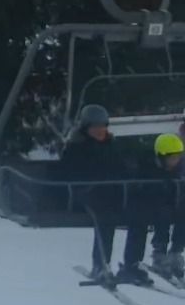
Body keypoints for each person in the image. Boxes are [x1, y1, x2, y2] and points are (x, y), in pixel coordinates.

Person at [60, 104, 150, 285]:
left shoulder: (112, 146)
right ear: (86, 128)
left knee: (140, 214)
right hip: (87, 194)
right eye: (95, 127)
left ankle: (131, 263)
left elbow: (121, 168)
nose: (100, 131)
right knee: (106, 218)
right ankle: (100, 265)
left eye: (103, 126)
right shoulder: (76, 147)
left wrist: (131, 177)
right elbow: (68, 173)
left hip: (113, 193)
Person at [147, 133, 185, 278]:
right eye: (171, 158)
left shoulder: (181, 170)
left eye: (177, 157)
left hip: (177, 204)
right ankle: (159, 253)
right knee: (163, 216)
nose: (175, 161)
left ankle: (176, 252)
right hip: (159, 205)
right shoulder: (153, 171)